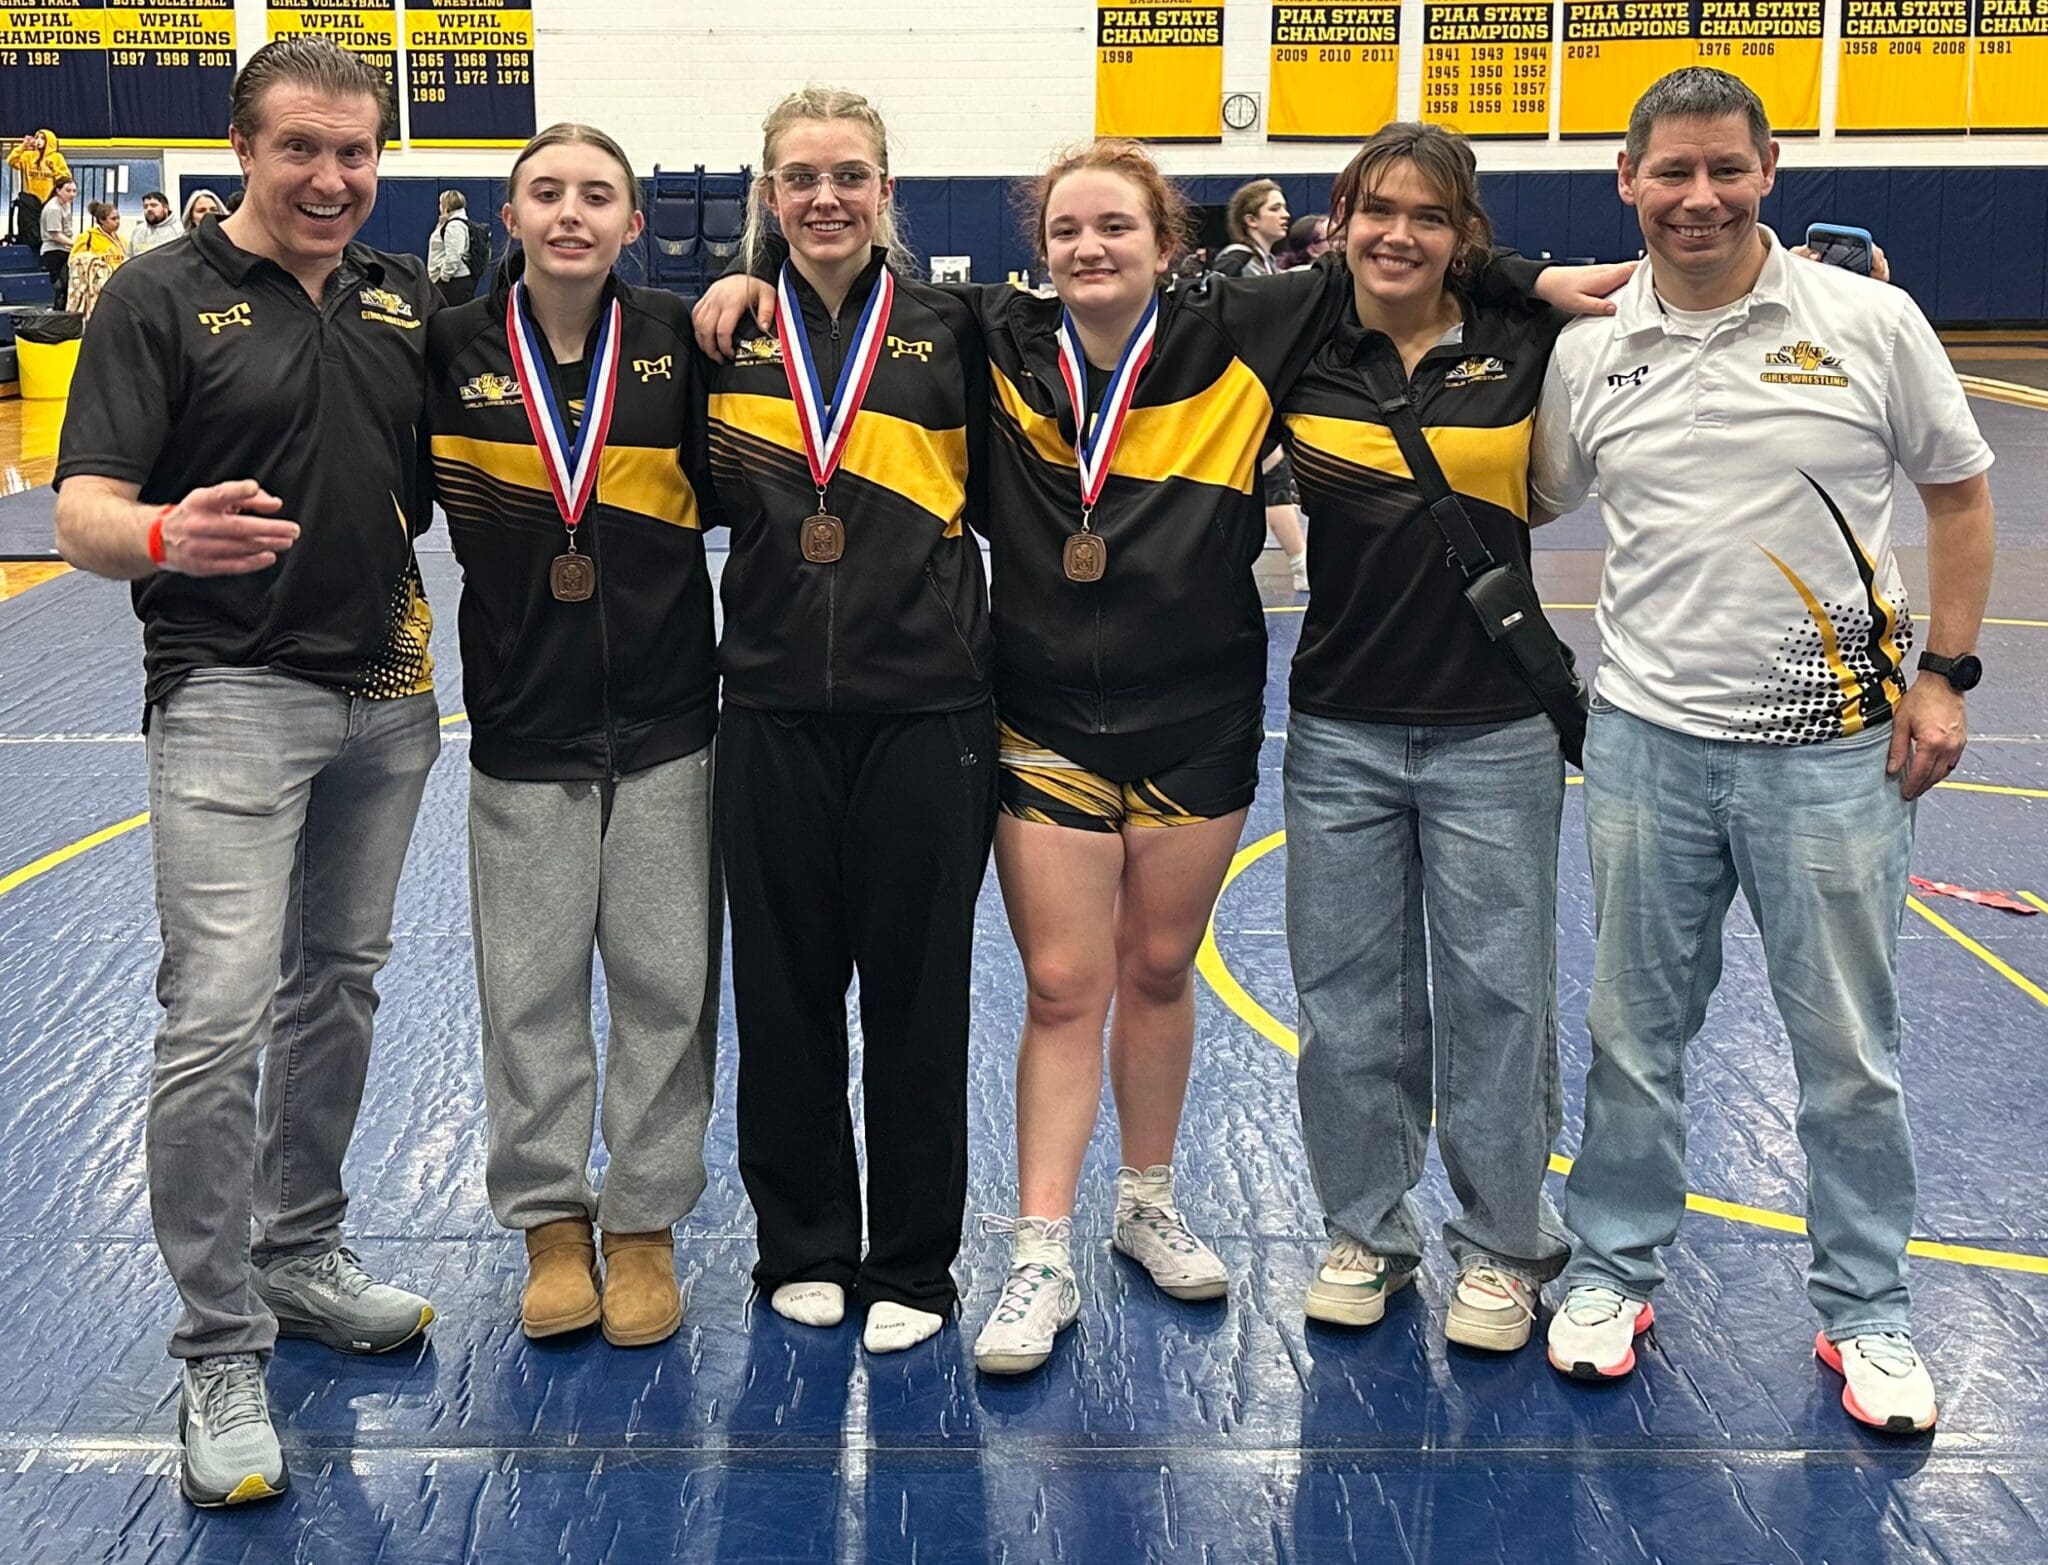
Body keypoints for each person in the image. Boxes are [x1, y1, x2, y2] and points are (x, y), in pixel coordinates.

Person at [697, 139, 1633, 1381]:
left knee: (1156, 965)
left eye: (1116, 228)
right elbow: (844, 302)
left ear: (1166, 243)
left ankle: (1145, 1201)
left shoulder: (1244, 324)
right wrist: (751, 279)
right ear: (1039, 247)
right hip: (1042, 714)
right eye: (1066, 229)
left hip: (1198, 712)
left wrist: (1527, 278)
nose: (1089, 247)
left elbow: (1393, 252)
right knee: (1060, 983)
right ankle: (1040, 1248)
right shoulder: (993, 335)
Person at [1531, 67, 1996, 1435]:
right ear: (1626, 180)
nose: (1699, 197)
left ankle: (1866, 1307)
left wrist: (1945, 675)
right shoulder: (1591, 350)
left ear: (1768, 169)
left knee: (1848, 1049)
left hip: (1832, 754)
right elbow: (1534, 491)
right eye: (1671, 172)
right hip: (1646, 744)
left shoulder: (1867, 321)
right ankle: (1611, 1269)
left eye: (1724, 169)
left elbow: (1960, 497)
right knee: (1632, 1035)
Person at [52, 37, 441, 1508]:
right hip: (227, 692)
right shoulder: (157, 296)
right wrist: (165, 534)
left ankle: (299, 1251)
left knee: (337, 983)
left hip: (387, 695)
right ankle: (219, 1343)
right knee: (215, 1016)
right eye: (301, 149)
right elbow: (82, 508)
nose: (332, 178)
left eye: (355, 151)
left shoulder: (402, 298)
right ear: (243, 150)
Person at [705, 86, 997, 1357]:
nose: (825, 197)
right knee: (782, 994)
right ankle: (804, 1243)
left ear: (886, 191)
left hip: (927, 713)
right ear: (768, 196)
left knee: (919, 999)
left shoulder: (959, 330)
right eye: (800, 177)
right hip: (769, 707)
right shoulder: (721, 335)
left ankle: (914, 1261)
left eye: (848, 175)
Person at [426, 124, 721, 1351]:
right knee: (529, 989)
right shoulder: (446, 347)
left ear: (631, 223)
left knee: (667, 984)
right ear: (508, 215)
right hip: (522, 719)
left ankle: (643, 1222)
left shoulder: (681, 341)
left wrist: (753, 285)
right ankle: (551, 1220)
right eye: (544, 192)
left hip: (668, 720)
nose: (569, 213)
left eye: (596, 195)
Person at [1279, 123, 1573, 1355]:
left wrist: (1528, 280)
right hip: (1337, 727)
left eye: (1428, 215)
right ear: (1340, 219)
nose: (1397, 234)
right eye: (1376, 209)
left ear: (1465, 236)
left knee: (1498, 996)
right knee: (1345, 999)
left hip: (1493, 729)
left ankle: (1503, 1245)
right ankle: (1364, 1232)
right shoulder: (1294, 336)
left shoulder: (1525, 336)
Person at [1210, 178, 1289, 277]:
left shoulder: (1269, 262)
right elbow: (1212, 285)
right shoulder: (1237, 259)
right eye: (1274, 209)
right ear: (1251, 220)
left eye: (1285, 208)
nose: (1286, 215)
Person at [7, 129, 68, 248]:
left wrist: (54, 169)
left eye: (43, 138)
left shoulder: (57, 157)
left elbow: (65, 177)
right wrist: (23, 146)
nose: (39, 141)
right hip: (30, 201)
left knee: (48, 229)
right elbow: (11, 161)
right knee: (29, 231)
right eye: (37, 138)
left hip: (48, 199)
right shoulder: (28, 156)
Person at [67, 200, 128, 320]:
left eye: (118, 218)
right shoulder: (88, 237)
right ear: (101, 220)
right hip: (95, 288)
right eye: (113, 219)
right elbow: (74, 261)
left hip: (118, 284)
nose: (117, 222)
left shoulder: (121, 239)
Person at [426, 188, 477, 306]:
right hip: (452, 282)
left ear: (446, 205)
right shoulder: (450, 223)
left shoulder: (454, 226)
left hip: (454, 283)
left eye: (440, 203)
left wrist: (443, 278)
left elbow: (454, 256)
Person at [39, 176, 76, 309]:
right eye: (68, 191)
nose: (72, 194)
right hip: (53, 251)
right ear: (58, 190)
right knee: (60, 284)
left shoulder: (66, 204)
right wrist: (75, 244)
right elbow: (55, 235)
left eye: (74, 191)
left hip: (64, 249)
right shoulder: (53, 208)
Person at [130, 190, 183, 256]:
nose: (149, 209)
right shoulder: (138, 230)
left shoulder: (180, 230)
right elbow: (129, 257)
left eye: (153, 205)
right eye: (145, 206)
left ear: (166, 208)